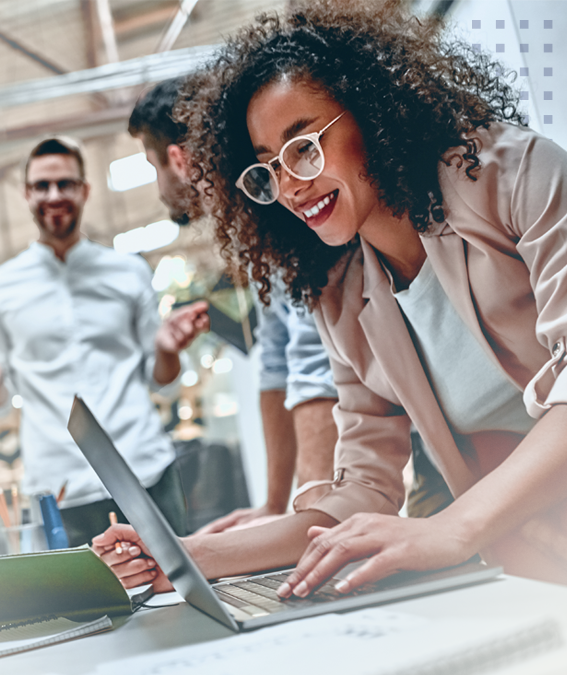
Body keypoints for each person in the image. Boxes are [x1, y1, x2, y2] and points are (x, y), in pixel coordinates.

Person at [96, 0, 567, 599]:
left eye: (303, 146)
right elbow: (364, 489)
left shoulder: (517, 176)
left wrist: (453, 528)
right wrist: (187, 554)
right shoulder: (341, 293)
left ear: (372, 115)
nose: (291, 184)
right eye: (268, 167)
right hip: (535, 554)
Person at [0, 136, 209, 547]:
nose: (53, 195)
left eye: (65, 184)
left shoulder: (128, 272)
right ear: (26, 194)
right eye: (41, 186)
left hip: (144, 470)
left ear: (85, 190)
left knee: (179, 595)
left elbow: (163, 380)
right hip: (59, 487)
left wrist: (165, 349)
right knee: (84, 610)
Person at [127, 77, 339, 535]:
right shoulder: (249, 227)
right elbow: (277, 361)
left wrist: (310, 517)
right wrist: (275, 505)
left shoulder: (276, 208)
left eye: (152, 165)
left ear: (178, 160)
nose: (160, 185)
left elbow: (312, 358)